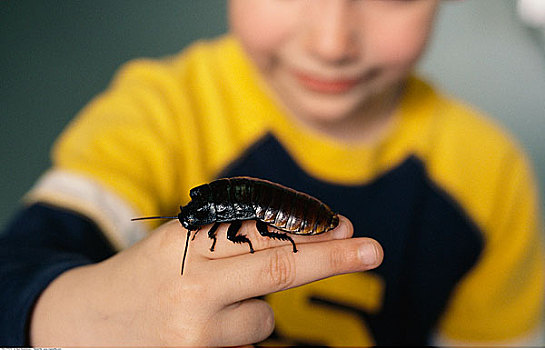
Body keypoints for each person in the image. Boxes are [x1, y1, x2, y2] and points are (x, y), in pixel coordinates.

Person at [1, 0, 543, 346]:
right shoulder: (158, 116)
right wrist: (72, 317)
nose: (332, 43)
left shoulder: (490, 173)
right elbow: (14, 272)